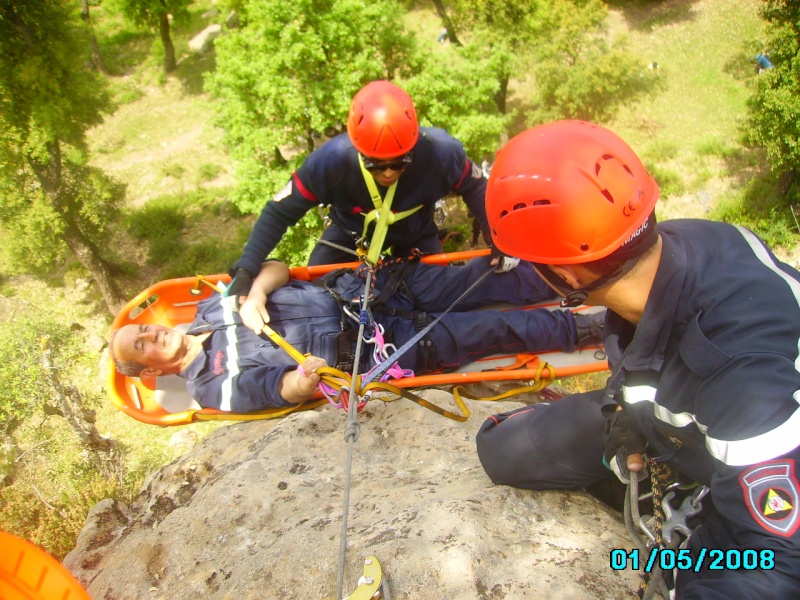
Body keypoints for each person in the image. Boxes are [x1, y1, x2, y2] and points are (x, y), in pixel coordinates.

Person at [475, 119, 800, 597]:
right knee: (501, 450)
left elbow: (778, 567)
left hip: (756, 456)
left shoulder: (741, 371)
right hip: (672, 419)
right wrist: (624, 412)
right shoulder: (689, 241)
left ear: (564, 275)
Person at [111, 256, 605, 413]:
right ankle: (597, 325)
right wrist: (303, 382)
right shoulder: (211, 384)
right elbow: (276, 392)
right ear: (152, 369)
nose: (153, 332)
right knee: (494, 329)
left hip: (370, 290)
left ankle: (576, 271)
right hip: (378, 344)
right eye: (143, 344)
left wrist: (257, 293)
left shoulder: (210, 305)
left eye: (145, 327)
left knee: (482, 277)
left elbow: (278, 266)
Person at [227, 80, 510, 301]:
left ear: (413, 147)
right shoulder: (331, 162)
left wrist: (496, 233)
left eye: (400, 162)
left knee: (430, 295)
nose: (388, 172)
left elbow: (476, 187)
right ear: (360, 152)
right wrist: (247, 267)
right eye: (376, 164)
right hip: (351, 233)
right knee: (320, 292)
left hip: (414, 231)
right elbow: (279, 212)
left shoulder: (440, 152)